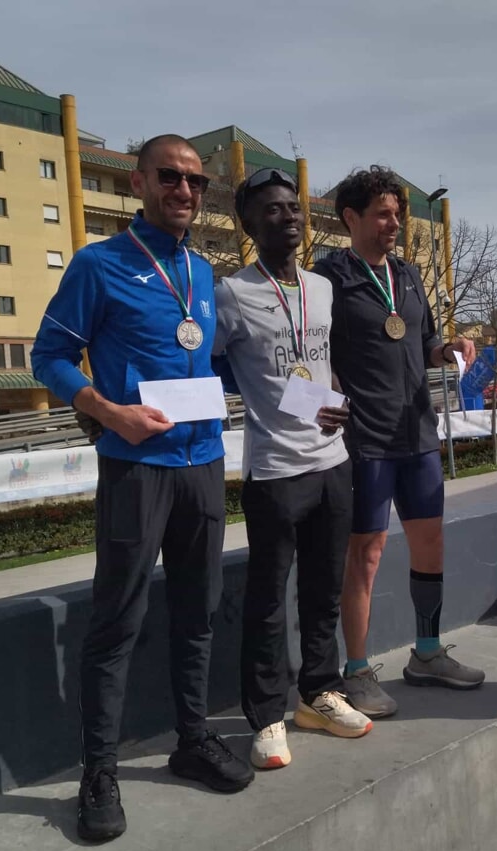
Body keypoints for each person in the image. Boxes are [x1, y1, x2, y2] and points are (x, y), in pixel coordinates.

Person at [31, 135, 252, 843]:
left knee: (198, 612)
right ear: (138, 182)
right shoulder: (99, 265)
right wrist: (108, 413)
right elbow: (48, 357)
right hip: (136, 468)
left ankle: (192, 739)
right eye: (170, 177)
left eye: (196, 182)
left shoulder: (201, 272)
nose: (184, 191)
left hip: (203, 463)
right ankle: (99, 772)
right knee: (117, 620)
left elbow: (207, 359)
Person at [213, 168, 372, 770]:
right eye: (273, 210)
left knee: (323, 589)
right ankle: (266, 716)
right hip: (276, 468)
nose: (288, 217)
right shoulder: (232, 294)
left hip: (333, 461)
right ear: (249, 224)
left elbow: (322, 362)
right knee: (268, 599)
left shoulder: (322, 287)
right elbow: (210, 362)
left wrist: (337, 399)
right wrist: (266, 394)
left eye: (294, 208)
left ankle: (319, 694)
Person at [313, 166, 483, 718]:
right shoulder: (327, 278)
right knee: (365, 554)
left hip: (418, 433)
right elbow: (312, 350)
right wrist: (326, 391)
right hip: (365, 438)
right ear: (351, 217)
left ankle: (427, 653)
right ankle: (358, 669)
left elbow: (424, 340)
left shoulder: (407, 275)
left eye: (398, 214)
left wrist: (448, 349)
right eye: (383, 214)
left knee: (430, 543)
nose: (394, 224)